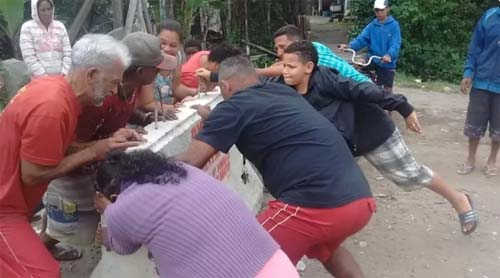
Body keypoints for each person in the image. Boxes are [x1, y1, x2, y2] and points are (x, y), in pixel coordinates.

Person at [178, 54, 376, 277]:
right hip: (359, 199)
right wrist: (212, 117)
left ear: (224, 85)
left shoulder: (233, 108)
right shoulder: (281, 92)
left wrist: (137, 166)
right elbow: (253, 117)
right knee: (327, 248)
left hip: (315, 205)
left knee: (244, 260)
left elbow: (189, 162)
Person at [277, 41, 479, 238]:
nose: (284, 71)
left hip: (371, 131)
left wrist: (403, 106)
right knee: (320, 183)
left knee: (411, 174)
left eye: (290, 66)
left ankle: (460, 200)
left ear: (308, 67)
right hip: (342, 144)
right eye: (283, 65)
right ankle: (317, 235)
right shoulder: (283, 87)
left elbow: (366, 91)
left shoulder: (327, 80)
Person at [0, 34, 143, 277]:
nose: (114, 90)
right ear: (92, 75)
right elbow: (32, 175)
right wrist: (93, 152)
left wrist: (106, 143)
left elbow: (54, 148)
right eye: (112, 82)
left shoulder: (56, 89)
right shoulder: (52, 107)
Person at [38, 31, 178, 261]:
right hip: (74, 167)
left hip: (94, 158)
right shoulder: (98, 98)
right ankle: (41, 248)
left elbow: (122, 110)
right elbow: (67, 146)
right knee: (71, 222)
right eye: (157, 66)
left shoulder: (127, 89)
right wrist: (102, 145)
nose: (161, 70)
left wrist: (141, 119)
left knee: (74, 215)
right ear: (142, 71)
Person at [93, 150, 299, 278]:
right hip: (279, 266)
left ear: (112, 195)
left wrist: (108, 219)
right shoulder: (182, 171)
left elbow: (125, 246)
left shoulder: (120, 207)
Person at [458, 6, 500, 177]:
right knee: (474, 125)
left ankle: (492, 160)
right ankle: (470, 159)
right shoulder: (489, 16)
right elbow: (475, 46)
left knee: (499, 128)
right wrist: (469, 71)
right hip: (482, 80)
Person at [256, 24, 370, 83]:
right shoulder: (314, 45)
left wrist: (251, 72)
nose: (279, 53)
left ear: (297, 43)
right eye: (277, 49)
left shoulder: (309, 53)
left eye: (283, 47)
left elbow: (283, 68)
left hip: (362, 89)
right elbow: (282, 65)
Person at [339, 0, 401, 93]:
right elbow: (361, 39)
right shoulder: (372, 26)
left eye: (381, 10)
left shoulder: (394, 26)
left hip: (386, 61)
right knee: (358, 64)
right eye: (377, 10)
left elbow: (395, 44)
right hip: (373, 58)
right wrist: (349, 46)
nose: (379, 12)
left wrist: (389, 55)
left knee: (387, 91)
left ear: (387, 9)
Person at [150, 19, 198, 105]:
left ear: (180, 46)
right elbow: (144, 102)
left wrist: (197, 92)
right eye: (162, 43)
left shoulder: (177, 58)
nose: (167, 49)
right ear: (154, 39)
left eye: (173, 45)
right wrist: (170, 107)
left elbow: (175, 88)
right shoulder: (148, 60)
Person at [20, 0, 71, 78]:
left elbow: (68, 53)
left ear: (52, 9)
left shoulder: (60, 27)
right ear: (36, 11)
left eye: (49, 9)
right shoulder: (27, 28)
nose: (47, 13)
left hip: (62, 79)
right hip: (39, 80)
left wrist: (64, 74)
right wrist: (45, 77)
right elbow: (29, 57)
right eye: (43, 10)